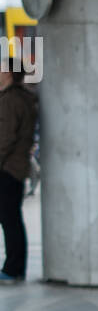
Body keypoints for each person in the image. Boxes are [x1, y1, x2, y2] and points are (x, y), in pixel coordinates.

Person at [0, 64, 37, 284]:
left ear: (9, 74)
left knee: (9, 219)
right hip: (16, 167)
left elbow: (4, 139)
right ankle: (15, 267)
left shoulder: (9, 101)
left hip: (7, 169)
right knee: (11, 218)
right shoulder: (23, 98)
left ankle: (13, 269)